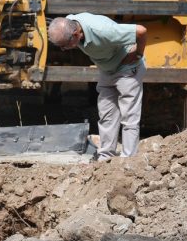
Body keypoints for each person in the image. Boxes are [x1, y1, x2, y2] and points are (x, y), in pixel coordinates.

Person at [47, 14, 148, 159]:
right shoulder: (71, 23)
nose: (63, 49)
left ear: (76, 34)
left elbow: (141, 31)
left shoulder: (103, 31)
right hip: (107, 69)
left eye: (64, 45)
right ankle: (106, 157)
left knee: (129, 115)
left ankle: (129, 159)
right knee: (107, 114)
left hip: (127, 67)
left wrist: (137, 54)